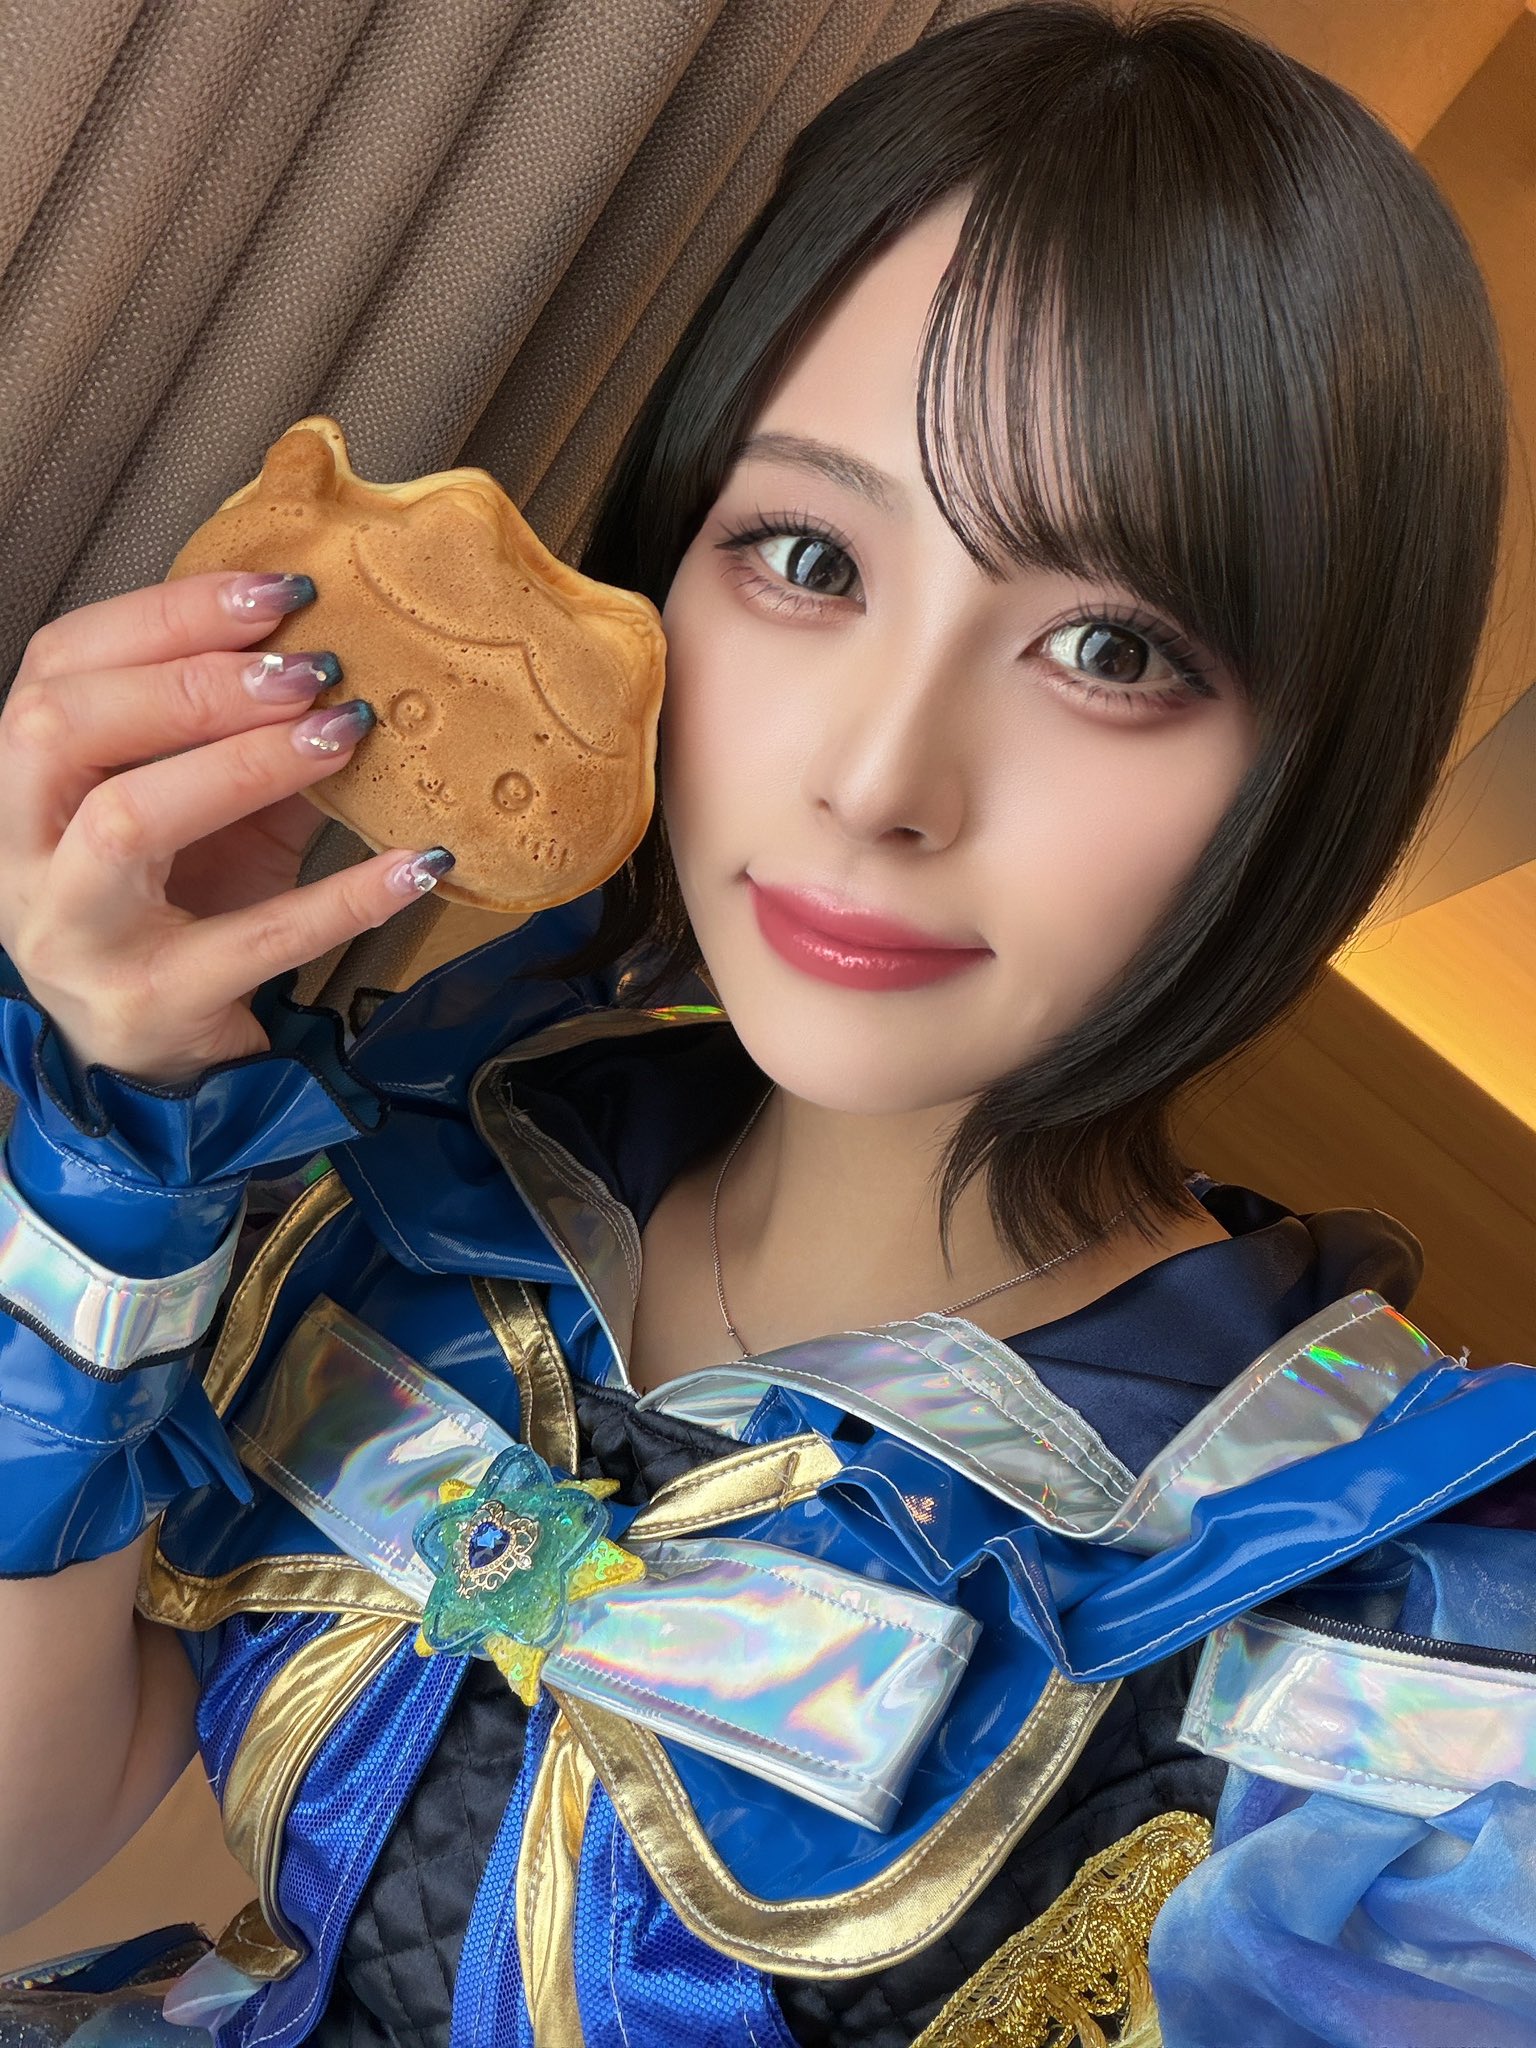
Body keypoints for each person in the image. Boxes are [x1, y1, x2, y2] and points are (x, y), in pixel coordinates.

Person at [0, 4, 1531, 2044]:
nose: (880, 778)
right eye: (806, 557)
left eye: (1110, 648)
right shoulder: (441, 1170)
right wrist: (113, 1142)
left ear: (1314, 767)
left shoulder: (1371, 1636)